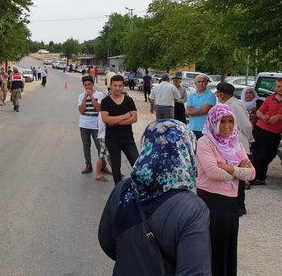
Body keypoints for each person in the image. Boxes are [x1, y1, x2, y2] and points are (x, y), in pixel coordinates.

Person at [99, 120, 211, 276]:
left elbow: (107, 243)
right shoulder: (193, 209)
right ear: (186, 150)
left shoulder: (122, 189)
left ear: (146, 146)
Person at [195, 104, 255, 276]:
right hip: (209, 202)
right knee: (210, 247)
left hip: (230, 204)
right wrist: (238, 170)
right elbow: (213, 172)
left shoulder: (236, 143)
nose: (227, 126)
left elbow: (251, 174)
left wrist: (229, 168)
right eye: (222, 122)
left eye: (230, 122)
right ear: (214, 121)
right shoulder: (204, 142)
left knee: (228, 246)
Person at [215, 82, 254, 216]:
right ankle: (233, 204)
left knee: (239, 174)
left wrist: (249, 139)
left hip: (238, 144)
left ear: (223, 94)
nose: (217, 96)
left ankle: (240, 206)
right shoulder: (228, 104)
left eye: (218, 93)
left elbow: (247, 126)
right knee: (233, 174)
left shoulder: (234, 106)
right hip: (230, 144)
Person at [252, 78, 282, 185]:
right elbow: (259, 112)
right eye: (278, 86)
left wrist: (279, 117)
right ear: (275, 87)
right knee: (256, 154)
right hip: (260, 128)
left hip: (275, 132)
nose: (281, 88)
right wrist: (263, 116)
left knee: (269, 155)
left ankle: (258, 176)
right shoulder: (269, 98)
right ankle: (255, 178)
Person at [101, 75, 139, 184]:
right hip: (112, 140)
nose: (117, 88)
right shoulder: (106, 101)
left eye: (120, 86)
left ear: (123, 86)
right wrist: (125, 116)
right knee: (116, 167)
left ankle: (138, 188)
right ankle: (118, 190)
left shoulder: (129, 100)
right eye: (115, 85)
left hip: (128, 139)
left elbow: (134, 118)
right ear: (111, 86)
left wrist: (116, 122)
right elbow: (105, 119)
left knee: (137, 164)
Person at [78, 75, 108, 180]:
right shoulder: (81, 96)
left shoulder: (99, 95)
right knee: (86, 146)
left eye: (89, 84)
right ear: (83, 86)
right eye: (85, 85)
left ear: (93, 84)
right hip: (83, 124)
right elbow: (81, 110)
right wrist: (85, 98)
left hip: (96, 125)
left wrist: (91, 97)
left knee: (100, 147)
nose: (88, 87)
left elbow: (98, 109)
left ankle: (103, 166)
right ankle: (88, 165)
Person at [186, 74, 216, 139]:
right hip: (192, 128)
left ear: (207, 83)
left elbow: (204, 110)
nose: (201, 84)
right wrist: (200, 110)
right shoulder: (191, 95)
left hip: (205, 129)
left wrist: (192, 111)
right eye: (199, 82)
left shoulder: (210, 95)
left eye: (203, 82)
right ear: (195, 83)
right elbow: (186, 112)